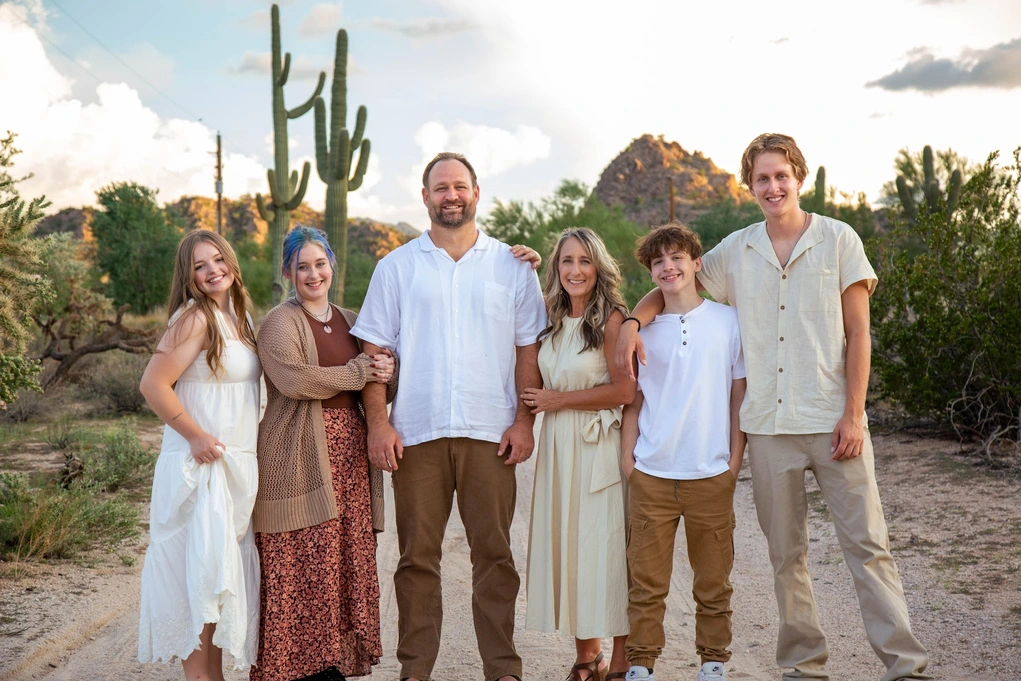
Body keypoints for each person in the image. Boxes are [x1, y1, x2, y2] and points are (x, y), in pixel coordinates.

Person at [616, 133, 930, 681]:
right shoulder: (735, 250)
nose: (772, 186)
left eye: (781, 176)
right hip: (766, 430)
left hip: (835, 423)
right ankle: (804, 667)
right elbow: (670, 283)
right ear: (750, 186)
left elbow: (859, 334)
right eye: (762, 178)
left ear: (799, 178)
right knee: (787, 557)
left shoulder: (839, 240)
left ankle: (906, 666)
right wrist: (630, 324)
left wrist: (854, 413)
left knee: (868, 547)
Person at [351, 152, 547, 681]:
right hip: (417, 433)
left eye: (460, 186)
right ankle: (414, 670)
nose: (451, 195)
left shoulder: (512, 265)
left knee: (495, 557)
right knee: (416, 560)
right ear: (425, 197)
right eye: (440, 188)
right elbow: (374, 349)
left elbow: (527, 349)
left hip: (491, 433)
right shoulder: (397, 267)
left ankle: (502, 669)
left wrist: (525, 422)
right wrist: (378, 423)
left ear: (477, 193)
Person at [251, 226, 396, 681]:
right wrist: (359, 370)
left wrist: (388, 370)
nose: (312, 274)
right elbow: (294, 381)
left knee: (342, 559)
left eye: (319, 264)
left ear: (332, 266)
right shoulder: (280, 322)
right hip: (297, 455)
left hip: (350, 457)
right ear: (287, 273)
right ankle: (291, 668)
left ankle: (332, 662)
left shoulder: (355, 320)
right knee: (300, 559)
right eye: (302, 267)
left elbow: (379, 383)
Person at [619, 224, 746, 681]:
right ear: (651, 272)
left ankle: (713, 662)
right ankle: (641, 665)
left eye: (677, 257)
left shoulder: (728, 321)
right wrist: (627, 461)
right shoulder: (644, 332)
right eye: (658, 262)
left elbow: (737, 396)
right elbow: (634, 401)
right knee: (646, 583)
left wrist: (733, 461)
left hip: (710, 473)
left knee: (713, 581)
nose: (668, 267)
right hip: (651, 473)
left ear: (697, 263)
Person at [138, 229, 262, 678]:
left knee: (214, 594)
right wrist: (194, 435)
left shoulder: (241, 318)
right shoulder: (195, 318)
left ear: (231, 260)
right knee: (200, 595)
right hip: (199, 467)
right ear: (189, 278)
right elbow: (152, 385)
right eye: (199, 266)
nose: (212, 271)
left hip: (233, 470)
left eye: (217, 260)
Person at [524, 228, 636, 681]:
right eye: (566, 261)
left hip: (597, 444)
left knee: (607, 547)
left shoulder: (612, 319)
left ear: (598, 267)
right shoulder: (550, 316)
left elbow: (625, 390)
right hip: (557, 445)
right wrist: (522, 265)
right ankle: (587, 656)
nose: (575, 270)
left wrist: (557, 401)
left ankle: (624, 661)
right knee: (570, 543)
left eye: (584, 261)